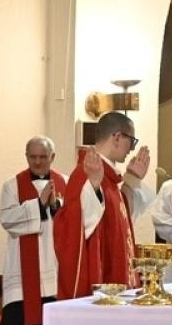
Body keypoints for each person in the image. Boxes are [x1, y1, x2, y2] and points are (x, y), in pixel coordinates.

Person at [53, 111, 153, 299]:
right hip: (102, 286)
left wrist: (132, 179)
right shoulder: (85, 175)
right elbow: (73, 226)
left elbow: (121, 221)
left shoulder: (109, 179)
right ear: (117, 137)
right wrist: (92, 187)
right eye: (131, 141)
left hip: (117, 281)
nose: (131, 149)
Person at [0, 136, 66, 325]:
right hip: (22, 269)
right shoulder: (11, 185)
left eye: (43, 157)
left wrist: (56, 205)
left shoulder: (66, 183)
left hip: (54, 267)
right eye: (32, 157)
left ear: (52, 157)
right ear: (26, 156)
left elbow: (75, 220)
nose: (37, 162)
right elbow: (7, 219)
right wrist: (38, 204)